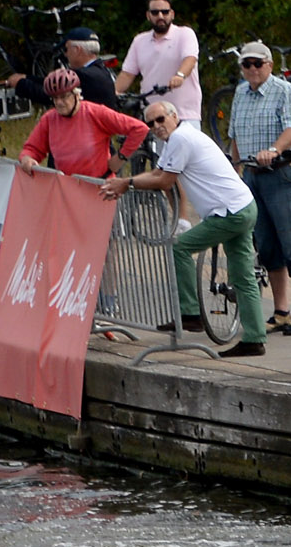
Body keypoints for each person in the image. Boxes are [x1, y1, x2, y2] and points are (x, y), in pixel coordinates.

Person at [99, 101, 265, 357]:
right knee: (243, 277)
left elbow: (165, 181)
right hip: (241, 206)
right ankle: (254, 339)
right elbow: (157, 172)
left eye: (160, 120)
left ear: (174, 116)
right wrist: (128, 183)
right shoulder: (178, 139)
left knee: (180, 248)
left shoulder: (181, 139)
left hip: (230, 212)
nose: (156, 127)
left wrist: (127, 183)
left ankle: (190, 313)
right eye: (151, 123)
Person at [223, 41, 291, 339]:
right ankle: (281, 310)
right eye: (246, 64)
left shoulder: (284, 90)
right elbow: (235, 133)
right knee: (266, 245)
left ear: (269, 65)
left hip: (283, 172)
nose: (252, 69)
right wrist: (235, 171)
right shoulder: (240, 92)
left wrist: (274, 149)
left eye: (257, 63)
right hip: (253, 175)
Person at [18, 67, 148, 179]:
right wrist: (27, 159)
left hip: (98, 186)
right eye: (55, 98)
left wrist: (120, 158)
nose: (59, 102)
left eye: (64, 96)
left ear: (76, 94)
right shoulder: (49, 119)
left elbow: (139, 129)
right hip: (67, 188)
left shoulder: (96, 113)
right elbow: (32, 148)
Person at [114, 0, 203, 128]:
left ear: (172, 14)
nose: (160, 16)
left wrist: (180, 76)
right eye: (155, 12)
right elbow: (127, 74)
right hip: (152, 117)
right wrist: (112, 94)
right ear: (148, 16)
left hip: (183, 115)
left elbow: (190, 59)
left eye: (165, 12)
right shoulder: (139, 41)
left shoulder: (185, 34)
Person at [11, 30, 118, 113]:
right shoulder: (100, 70)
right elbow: (55, 83)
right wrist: (27, 77)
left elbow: (53, 93)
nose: (65, 54)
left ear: (77, 49)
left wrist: (21, 84)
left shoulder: (83, 75)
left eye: (66, 49)